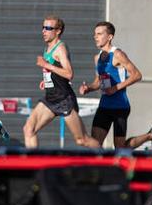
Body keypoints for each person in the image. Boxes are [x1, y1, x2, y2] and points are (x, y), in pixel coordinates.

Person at [22, 16, 100, 148]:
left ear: (58, 31)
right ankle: (33, 165)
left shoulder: (60, 48)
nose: (44, 31)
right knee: (29, 129)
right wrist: (47, 79)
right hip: (50, 98)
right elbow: (55, 71)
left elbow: (69, 74)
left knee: (82, 140)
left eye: (48, 28)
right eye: (43, 27)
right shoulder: (48, 47)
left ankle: (107, 161)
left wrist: (47, 65)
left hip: (64, 100)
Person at [77, 21, 150, 148]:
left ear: (110, 37)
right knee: (94, 144)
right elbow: (98, 81)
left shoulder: (118, 54)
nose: (96, 37)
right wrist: (88, 88)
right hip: (104, 106)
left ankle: (150, 136)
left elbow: (137, 75)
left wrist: (115, 88)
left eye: (99, 34)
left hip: (120, 107)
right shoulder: (97, 58)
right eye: (95, 34)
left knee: (120, 149)